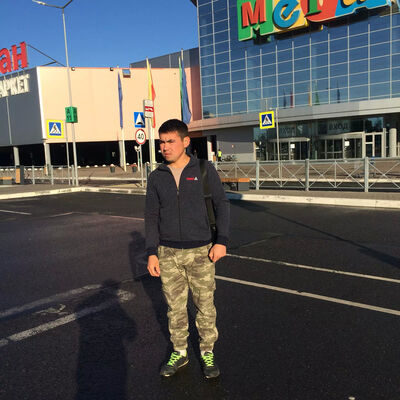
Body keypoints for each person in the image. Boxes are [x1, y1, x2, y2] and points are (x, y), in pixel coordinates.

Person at [145, 119, 230, 379]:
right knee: (175, 307)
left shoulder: (203, 169)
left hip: (201, 251)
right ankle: (180, 351)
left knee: (205, 305)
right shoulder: (156, 176)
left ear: (185, 141)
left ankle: (207, 351)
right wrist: (151, 252)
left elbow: (221, 204)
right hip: (167, 253)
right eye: (162, 142)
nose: (165, 147)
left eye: (170, 141)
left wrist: (222, 240)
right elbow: (151, 216)